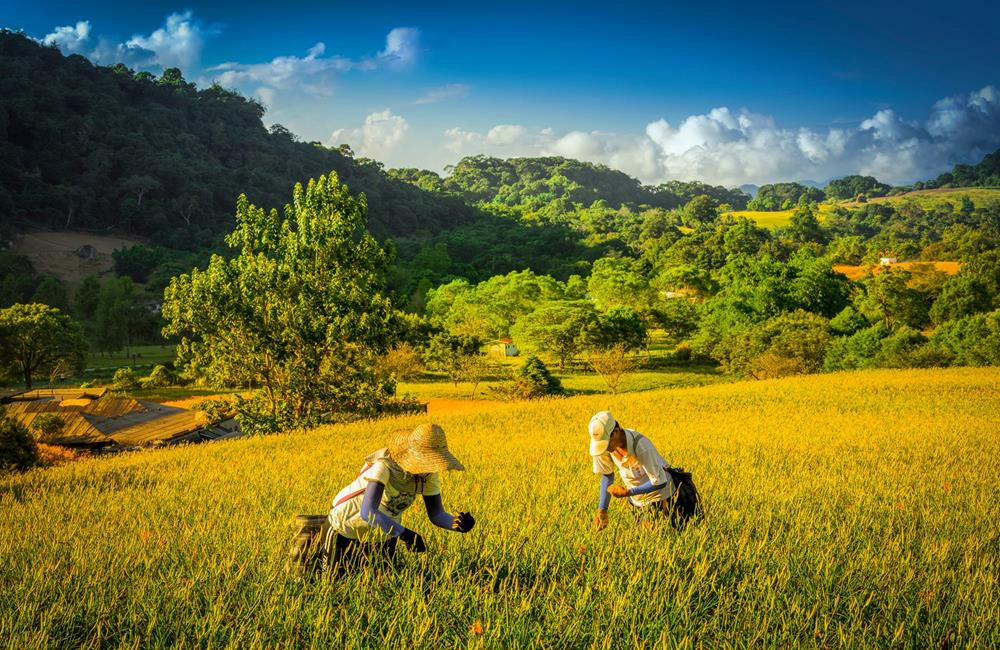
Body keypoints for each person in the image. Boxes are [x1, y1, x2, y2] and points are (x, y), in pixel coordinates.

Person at [320, 423, 475, 573]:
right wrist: (405, 534)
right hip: (345, 526)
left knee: (377, 585)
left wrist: (457, 525)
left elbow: (436, 514)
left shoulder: (428, 475)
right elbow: (368, 512)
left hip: (384, 533)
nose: (430, 468)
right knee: (332, 581)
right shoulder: (385, 467)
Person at [589, 410, 701, 531]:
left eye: (606, 443)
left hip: (663, 497)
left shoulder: (640, 444)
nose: (605, 447)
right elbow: (607, 475)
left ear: (616, 432)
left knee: (674, 535)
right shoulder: (602, 447)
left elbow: (659, 481)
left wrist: (628, 492)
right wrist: (602, 510)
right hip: (638, 501)